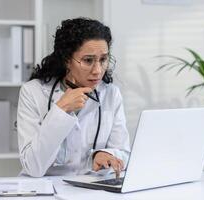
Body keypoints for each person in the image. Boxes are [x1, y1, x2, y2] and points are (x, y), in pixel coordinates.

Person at [17, 17, 130, 177]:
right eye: (88, 60)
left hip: (90, 187)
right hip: (45, 188)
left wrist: (102, 154)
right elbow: (33, 167)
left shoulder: (111, 94)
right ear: (67, 60)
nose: (98, 70)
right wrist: (61, 109)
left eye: (103, 59)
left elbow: (123, 152)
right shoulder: (33, 92)